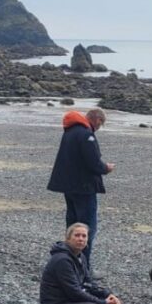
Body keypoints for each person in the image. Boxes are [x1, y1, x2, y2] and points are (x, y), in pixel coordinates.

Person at [40, 223, 152, 304]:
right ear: (68, 238)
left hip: (72, 300)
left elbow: (88, 282)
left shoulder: (80, 256)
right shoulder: (62, 260)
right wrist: (103, 303)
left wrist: (108, 295)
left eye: (84, 236)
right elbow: (74, 292)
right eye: (77, 235)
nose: (81, 239)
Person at [47, 107, 115, 274]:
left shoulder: (70, 131)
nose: (100, 127)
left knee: (72, 225)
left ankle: (68, 263)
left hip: (68, 185)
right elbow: (92, 162)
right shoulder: (86, 134)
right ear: (97, 120)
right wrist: (105, 168)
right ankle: (83, 268)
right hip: (83, 187)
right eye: (101, 123)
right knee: (86, 229)